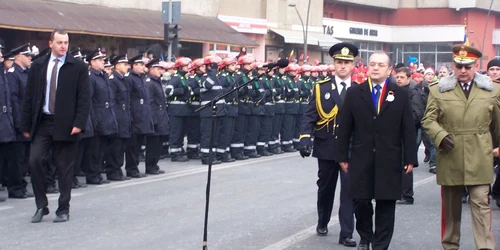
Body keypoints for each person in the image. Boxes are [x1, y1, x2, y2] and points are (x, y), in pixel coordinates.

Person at [336, 51, 417, 249]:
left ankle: (381, 244)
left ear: (389, 69)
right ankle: (365, 236)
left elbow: (407, 128)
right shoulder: (355, 93)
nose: (375, 68)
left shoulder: (400, 94)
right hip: (361, 156)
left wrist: (410, 157)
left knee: (386, 203)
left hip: (389, 157)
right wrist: (341, 155)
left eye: (380, 65)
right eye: (372, 64)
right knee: (361, 201)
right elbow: (345, 126)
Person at [422, 45, 497, 250]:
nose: (463, 71)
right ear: (453, 66)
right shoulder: (438, 90)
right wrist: (440, 135)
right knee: (451, 209)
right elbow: (428, 120)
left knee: (481, 205)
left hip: (480, 154)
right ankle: (450, 245)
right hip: (450, 154)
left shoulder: (492, 90)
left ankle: (485, 247)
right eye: (459, 66)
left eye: (468, 66)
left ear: (476, 66)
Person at [21, 29, 90, 223]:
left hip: (67, 125)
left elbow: (84, 98)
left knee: (64, 168)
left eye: (66, 42)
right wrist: (25, 124)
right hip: (43, 122)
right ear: (50, 44)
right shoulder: (39, 65)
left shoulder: (77, 67)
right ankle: (41, 205)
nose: (63, 46)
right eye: (59, 42)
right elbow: (29, 96)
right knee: (34, 161)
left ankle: (63, 208)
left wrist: (79, 123)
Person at [299, 42, 359, 247]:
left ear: (353, 65)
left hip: (351, 149)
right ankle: (323, 220)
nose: (343, 66)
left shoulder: (360, 89)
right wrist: (305, 138)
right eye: (339, 62)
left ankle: (346, 233)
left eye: (347, 63)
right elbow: (309, 116)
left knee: (349, 191)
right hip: (327, 147)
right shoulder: (320, 88)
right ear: (334, 64)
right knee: (325, 189)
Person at [6, 43, 35, 198]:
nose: (30, 58)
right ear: (18, 56)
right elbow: (14, 101)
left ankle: (21, 185)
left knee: (24, 157)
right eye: (27, 55)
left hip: (28, 120)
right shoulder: (13, 74)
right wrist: (19, 123)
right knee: (16, 157)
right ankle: (15, 186)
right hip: (20, 122)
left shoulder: (26, 73)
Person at [394, 67, 425, 205]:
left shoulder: (413, 92)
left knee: (406, 163)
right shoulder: (394, 91)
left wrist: (402, 123)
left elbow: (417, 113)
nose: (399, 79)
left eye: (402, 77)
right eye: (397, 77)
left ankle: (407, 194)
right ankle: (398, 191)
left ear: (409, 78)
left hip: (408, 133)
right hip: (395, 134)